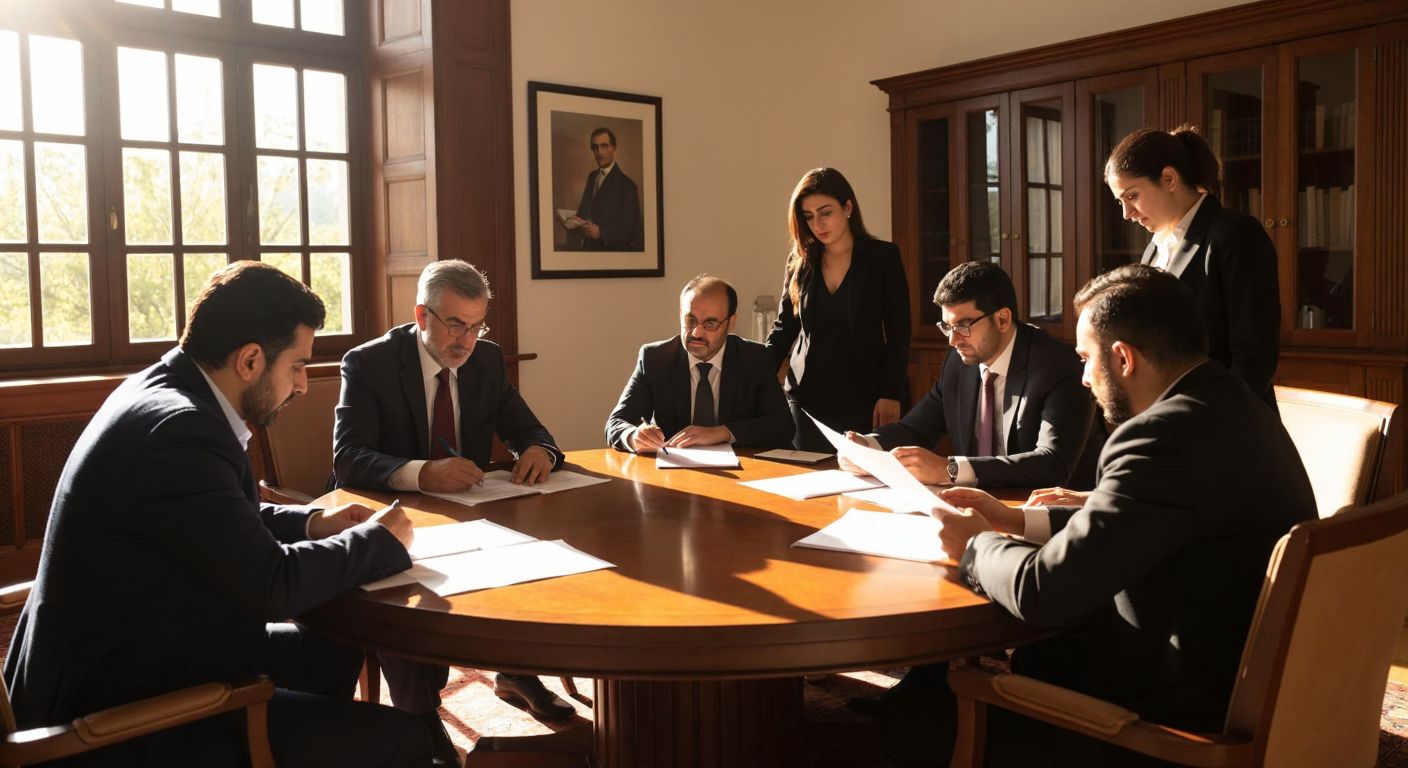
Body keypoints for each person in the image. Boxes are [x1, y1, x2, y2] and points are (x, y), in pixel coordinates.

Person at [874, 264, 1316, 767]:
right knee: (1037, 660)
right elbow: (1142, 521)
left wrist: (974, 545)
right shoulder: (1231, 400)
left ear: (1123, 358)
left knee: (921, 725)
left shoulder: (1156, 439)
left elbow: (1042, 591)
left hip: (1174, 713)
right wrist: (1016, 521)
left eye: (1086, 359)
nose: (1082, 378)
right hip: (1240, 666)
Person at [3, 261, 430, 767]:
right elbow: (272, 585)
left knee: (335, 646)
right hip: (114, 714)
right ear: (250, 359)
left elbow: (215, 518)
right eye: (296, 366)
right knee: (408, 741)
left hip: (134, 647)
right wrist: (380, 541)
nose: (301, 385)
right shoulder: (181, 432)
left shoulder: (162, 390)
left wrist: (314, 523)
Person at [333, 259, 574, 762]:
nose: (466, 340)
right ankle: (420, 721)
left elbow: (534, 432)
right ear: (422, 314)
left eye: (477, 325)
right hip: (396, 514)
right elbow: (348, 459)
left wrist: (538, 453)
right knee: (400, 593)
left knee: (539, 559)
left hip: (472, 511)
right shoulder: (369, 363)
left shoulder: (485, 360)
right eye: (455, 325)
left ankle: (515, 670)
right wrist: (420, 471)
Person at [843, 261, 1099, 489]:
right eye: (947, 327)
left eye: (963, 326)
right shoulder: (958, 362)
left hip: (1052, 516)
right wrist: (868, 447)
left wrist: (950, 469)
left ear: (1002, 319)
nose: (953, 340)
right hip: (979, 506)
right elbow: (917, 428)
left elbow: (1051, 464)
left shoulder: (1059, 366)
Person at [1106, 124, 1280, 410]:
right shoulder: (1154, 249)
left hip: (1229, 419)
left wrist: (1214, 421)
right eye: (1120, 201)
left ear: (1169, 178)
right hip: (1171, 414)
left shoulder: (1235, 234)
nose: (1127, 214)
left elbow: (1255, 354)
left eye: (1132, 195)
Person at [765, 167, 911, 452]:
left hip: (866, 396)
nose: (817, 224)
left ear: (848, 208)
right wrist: (755, 378)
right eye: (808, 216)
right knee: (807, 482)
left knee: (863, 484)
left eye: (825, 212)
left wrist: (890, 393)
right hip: (807, 396)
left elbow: (899, 330)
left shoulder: (883, 257)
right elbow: (785, 327)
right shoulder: (800, 261)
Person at [605, 274, 794, 452]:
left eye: (710, 323)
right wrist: (633, 436)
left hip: (742, 473)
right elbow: (616, 422)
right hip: (673, 472)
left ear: (731, 322)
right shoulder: (655, 359)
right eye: (690, 320)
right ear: (680, 314)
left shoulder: (754, 358)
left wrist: (723, 432)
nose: (696, 333)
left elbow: (782, 426)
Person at [569, 127, 643, 251]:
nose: (600, 152)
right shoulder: (592, 176)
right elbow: (584, 210)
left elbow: (630, 232)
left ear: (614, 148)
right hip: (587, 249)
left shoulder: (627, 185)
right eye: (595, 147)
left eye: (604, 146)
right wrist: (576, 220)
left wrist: (601, 233)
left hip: (611, 252)